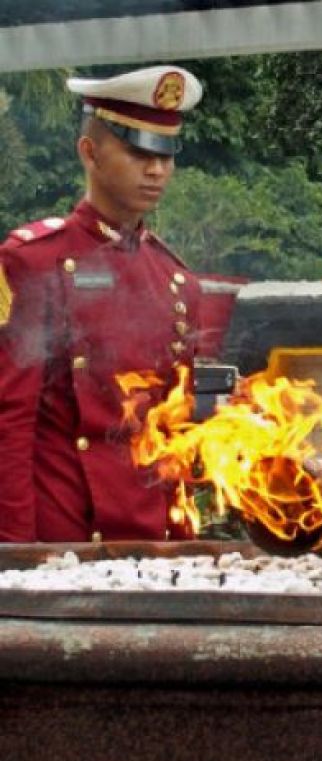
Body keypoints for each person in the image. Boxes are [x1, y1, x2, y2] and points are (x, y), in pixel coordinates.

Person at [0, 66, 204, 543]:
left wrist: (182, 542)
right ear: (89, 152)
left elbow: (173, 432)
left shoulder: (177, 280)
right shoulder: (29, 260)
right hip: (64, 537)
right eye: (137, 153)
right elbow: (8, 420)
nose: (156, 170)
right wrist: (13, 556)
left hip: (149, 541)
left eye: (166, 155)